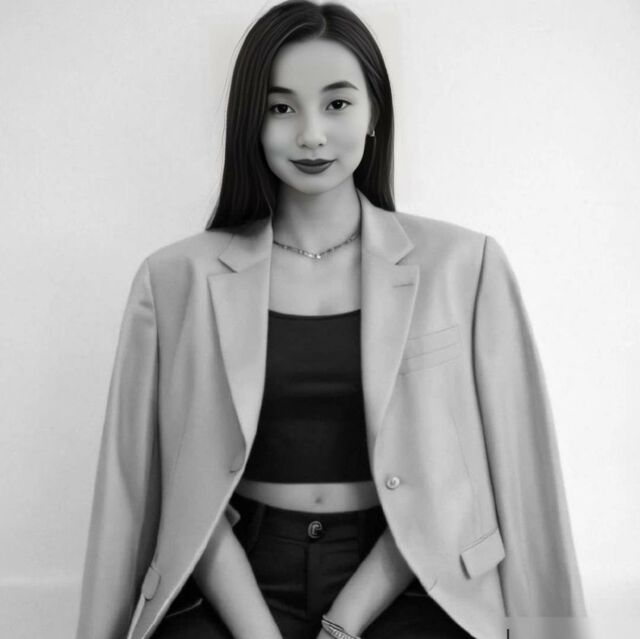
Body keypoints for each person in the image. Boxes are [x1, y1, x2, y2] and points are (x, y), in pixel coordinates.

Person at [75, 2, 586, 639]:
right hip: (234, 576)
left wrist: (345, 622)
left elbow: (520, 473)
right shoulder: (173, 278)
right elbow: (145, 489)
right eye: (281, 108)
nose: (312, 134)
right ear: (251, 122)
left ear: (375, 115)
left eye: (338, 103)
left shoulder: (465, 264)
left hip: (411, 573)